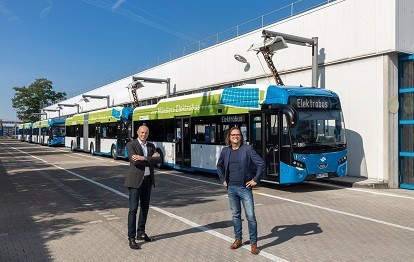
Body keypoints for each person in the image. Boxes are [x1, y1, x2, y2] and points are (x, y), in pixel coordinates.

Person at [216, 126, 266, 255]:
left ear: (241, 137)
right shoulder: (225, 151)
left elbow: (261, 164)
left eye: (238, 135)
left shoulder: (247, 149)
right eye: (233, 135)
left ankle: (253, 243)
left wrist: (255, 180)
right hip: (231, 188)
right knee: (236, 215)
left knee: (250, 216)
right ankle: (238, 239)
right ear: (229, 138)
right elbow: (219, 166)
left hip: (245, 188)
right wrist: (223, 180)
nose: (235, 137)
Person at [125, 125, 161, 250]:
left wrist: (144, 158)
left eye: (146, 133)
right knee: (133, 209)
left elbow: (159, 160)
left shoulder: (150, 145)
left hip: (148, 181)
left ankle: (141, 232)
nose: (143, 134)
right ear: (137, 132)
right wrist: (150, 159)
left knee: (145, 208)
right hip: (135, 181)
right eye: (142, 132)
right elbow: (134, 161)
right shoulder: (131, 145)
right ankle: (131, 237)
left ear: (148, 134)